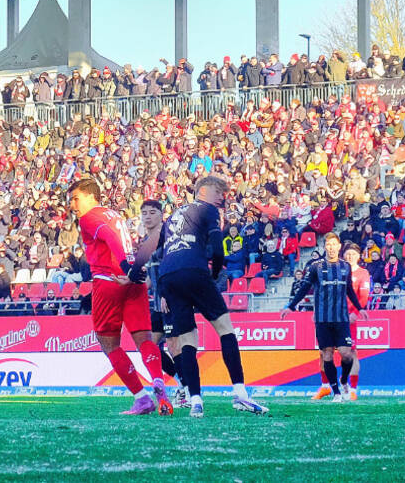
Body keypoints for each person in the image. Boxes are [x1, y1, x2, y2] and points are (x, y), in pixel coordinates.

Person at [148, 176, 266, 418]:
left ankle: (195, 401)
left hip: (169, 277)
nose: (221, 196)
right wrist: (213, 274)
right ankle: (241, 395)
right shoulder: (208, 209)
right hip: (194, 272)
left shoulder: (174, 215)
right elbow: (218, 248)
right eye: (218, 191)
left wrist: (156, 285)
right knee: (225, 329)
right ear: (202, 191)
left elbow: (158, 251)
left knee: (187, 341)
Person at [68, 178, 171, 416]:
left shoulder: (89, 218)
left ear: (91, 196)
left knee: (109, 344)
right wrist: (132, 269)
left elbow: (109, 237)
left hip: (110, 281)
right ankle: (158, 380)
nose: (72, 205)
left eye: (76, 199)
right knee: (144, 339)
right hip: (134, 282)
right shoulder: (114, 214)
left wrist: (125, 266)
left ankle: (142, 398)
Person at [281, 233, 368, 403]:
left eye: (334, 244)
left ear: (339, 246)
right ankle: (336, 392)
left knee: (346, 354)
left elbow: (349, 289)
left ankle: (344, 380)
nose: (331, 247)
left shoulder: (345, 266)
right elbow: (305, 287)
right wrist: (291, 306)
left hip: (341, 318)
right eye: (328, 244)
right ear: (325, 247)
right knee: (326, 354)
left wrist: (360, 308)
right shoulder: (316, 267)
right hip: (322, 319)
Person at [134, 199, 188, 410]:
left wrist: (166, 293)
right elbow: (150, 276)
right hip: (157, 303)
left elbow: (173, 268)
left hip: (171, 298)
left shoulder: (167, 238)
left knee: (174, 345)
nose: (147, 216)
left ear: (161, 215)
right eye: (144, 213)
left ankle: (186, 390)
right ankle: (181, 383)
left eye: (152, 212)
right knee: (152, 346)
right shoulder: (146, 242)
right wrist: (135, 290)